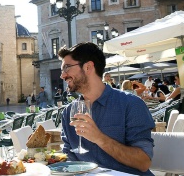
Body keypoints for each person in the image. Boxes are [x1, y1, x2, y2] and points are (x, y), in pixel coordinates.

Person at [57, 43, 154, 175]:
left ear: (88, 67)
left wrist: (99, 138)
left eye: (66, 68)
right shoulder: (69, 112)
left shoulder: (131, 104)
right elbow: (69, 157)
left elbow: (143, 162)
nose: (62, 75)